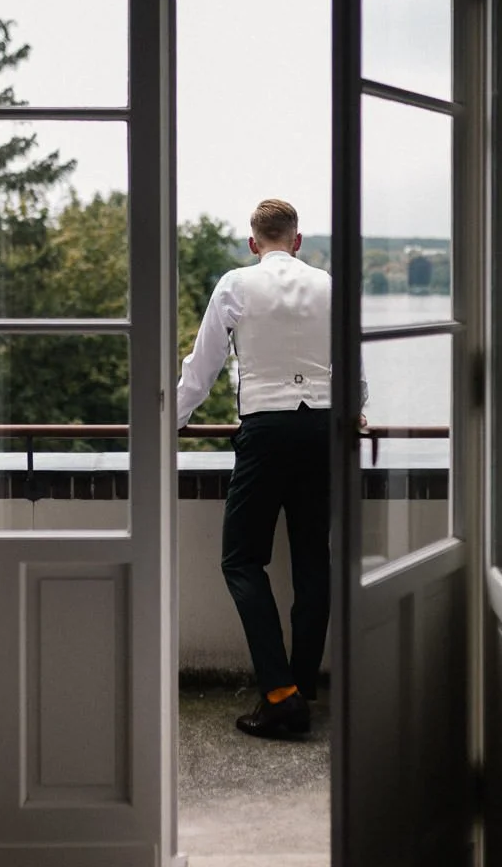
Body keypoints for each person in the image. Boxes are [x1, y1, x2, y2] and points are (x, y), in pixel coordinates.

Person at [177, 199, 365, 738]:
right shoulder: (329, 285)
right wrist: (353, 408)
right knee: (313, 560)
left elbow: (204, 364)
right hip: (324, 428)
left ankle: (280, 694)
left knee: (240, 559)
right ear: (298, 241)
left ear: (254, 243)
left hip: (265, 430)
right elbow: (353, 357)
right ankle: (300, 686)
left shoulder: (236, 284)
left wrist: (173, 421)